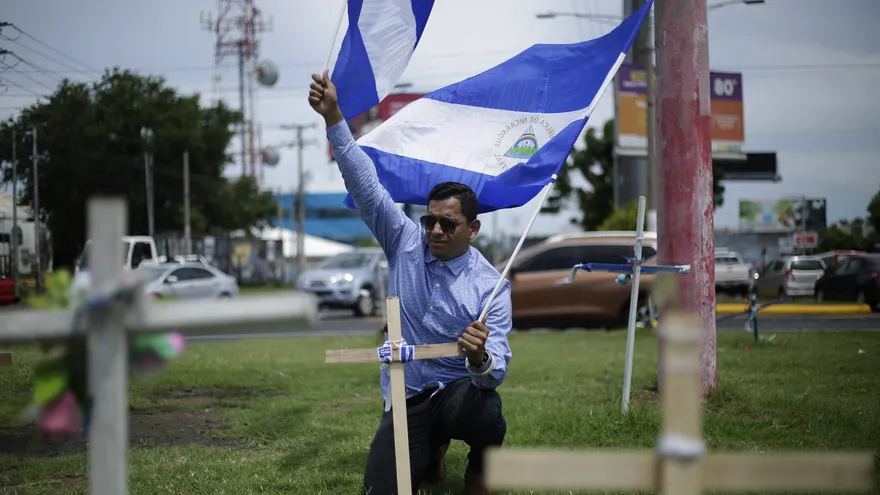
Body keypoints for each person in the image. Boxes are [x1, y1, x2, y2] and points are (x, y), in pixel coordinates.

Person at [308, 69, 512, 495]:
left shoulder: (490, 286)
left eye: (448, 224)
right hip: (408, 394)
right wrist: (333, 118)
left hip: (457, 391)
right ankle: (431, 452)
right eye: (429, 220)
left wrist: (479, 358)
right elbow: (365, 185)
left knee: (487, 411)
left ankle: (481, 465)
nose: (435, 230)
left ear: (473, 229)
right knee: (382, 489)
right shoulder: (403, 242)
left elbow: (496, 371)